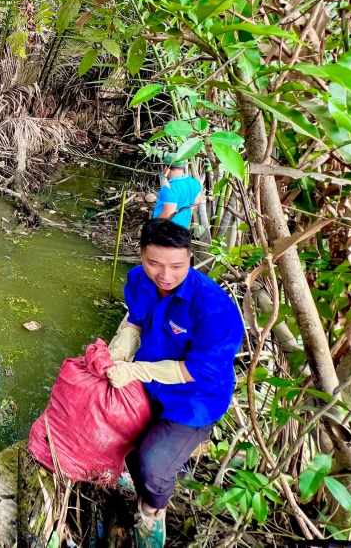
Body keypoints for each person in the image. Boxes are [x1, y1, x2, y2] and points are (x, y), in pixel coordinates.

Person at [105, 219, 243, 547]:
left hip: (195, 398)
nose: (165, 275)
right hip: (152, 382)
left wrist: (137, 372)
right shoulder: (139, 280)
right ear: (141, 256)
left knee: (153, 466)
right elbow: (136, 319)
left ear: (191, 259)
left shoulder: (214, 308)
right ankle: (134, 479)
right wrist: (124, 341)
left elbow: (196, 370)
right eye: (154, 263)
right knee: (121, 435)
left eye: (177, 266)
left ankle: (153, 513)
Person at [151, 157, 202, 229]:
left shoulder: (169, 187)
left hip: (166, 230)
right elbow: (197, 202)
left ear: (167, 168)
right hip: (183, 228)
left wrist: (153, 226)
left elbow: (168, 213)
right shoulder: (194, 183)